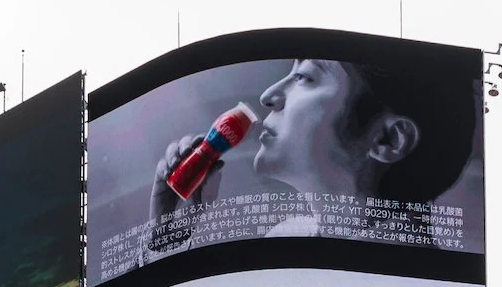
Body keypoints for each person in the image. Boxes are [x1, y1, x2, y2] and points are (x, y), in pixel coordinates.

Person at [148, 56, 477, 250]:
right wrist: (167, 236)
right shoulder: (286, 238)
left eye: (305, 77)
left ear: (388, 140)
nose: (269, 96)